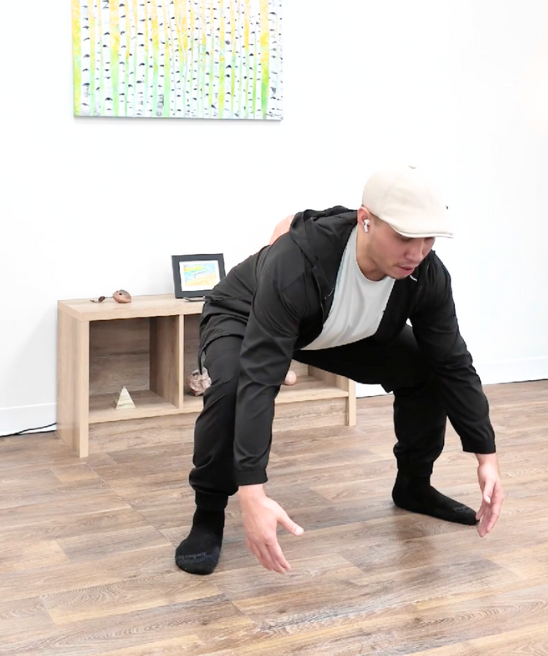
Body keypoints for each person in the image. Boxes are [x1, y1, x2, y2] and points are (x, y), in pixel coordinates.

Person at [174, 165, 504, 576]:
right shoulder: (298, 261)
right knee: (235, 387)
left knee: (428, 366)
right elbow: (260, 381)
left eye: (428, 239)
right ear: (365, 220)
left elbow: (454, 361)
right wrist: (252, 492)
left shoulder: (425, 273)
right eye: (404, 237)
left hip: (330, 330)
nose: (417, 252)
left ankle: (414, 486)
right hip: (243, 315)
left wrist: (485, 456)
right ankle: (208, 514)